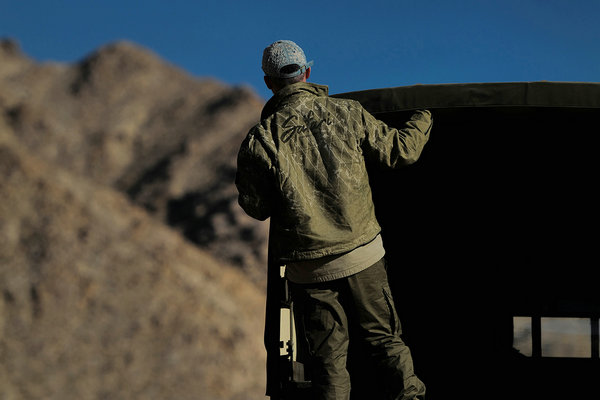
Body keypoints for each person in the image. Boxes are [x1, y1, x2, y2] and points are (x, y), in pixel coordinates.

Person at [235, 39, 432, 400]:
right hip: (362, 255)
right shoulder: (347, 112)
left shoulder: (261, 140)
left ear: (269, 83)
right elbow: (402, 152)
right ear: (307, 73)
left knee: (328, 362)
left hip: (308, 270)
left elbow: (255, 207)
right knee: (384, 340)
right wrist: (423, 116)